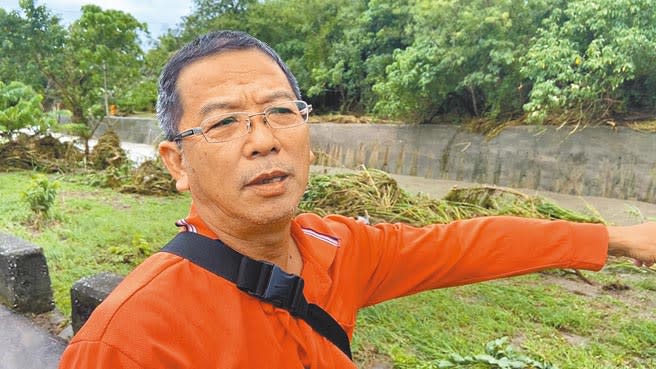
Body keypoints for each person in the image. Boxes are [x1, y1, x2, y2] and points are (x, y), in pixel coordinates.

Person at [58, 30, 656, 369]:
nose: (263, 140)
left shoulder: (335, 247)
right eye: (223, 124)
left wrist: (617, 238)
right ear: (177, 163)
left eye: (280, 113)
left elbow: (466, 245)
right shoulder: (128, 341)